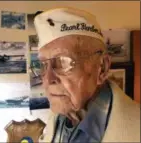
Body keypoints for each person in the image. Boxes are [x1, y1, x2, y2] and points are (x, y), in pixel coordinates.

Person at [31, 7, 140, 142]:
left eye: (63, 62)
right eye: (43, 65)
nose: (47, 79)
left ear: (102, 68)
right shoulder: (58, 115)